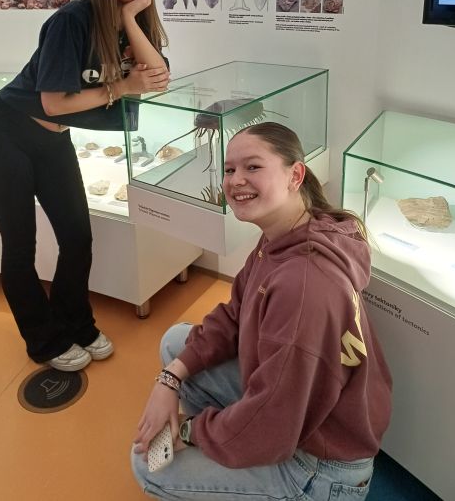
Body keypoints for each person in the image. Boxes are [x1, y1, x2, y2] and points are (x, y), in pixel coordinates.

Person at [132, 122, 392, 500]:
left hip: (319, 466)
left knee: (147, 466)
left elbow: (274, 421)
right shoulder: (284, 237)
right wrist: (168, 380)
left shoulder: (303, 284)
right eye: (229, 169)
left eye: (253, 167)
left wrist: (189, 432)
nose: (236, 180)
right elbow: (234, 315)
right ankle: (231, 444)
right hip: (300, 412)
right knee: (177, 343)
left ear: (295, 175)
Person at [0, 0, 169, 371]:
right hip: (3, 134)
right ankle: (43, 340)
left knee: (78, 236)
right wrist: (122, 87)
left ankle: (75, 322)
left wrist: (129, 18)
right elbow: (54, 102)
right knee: (20, 245)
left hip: (53, 139)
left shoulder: (132, 22)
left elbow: (158, 78)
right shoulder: (70, 22)